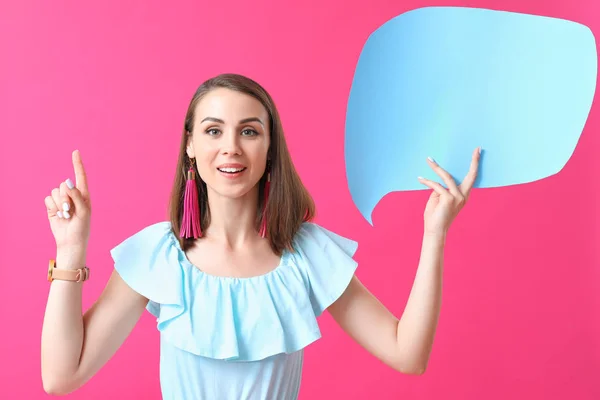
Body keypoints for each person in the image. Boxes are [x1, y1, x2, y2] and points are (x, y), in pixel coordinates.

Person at [41, 73, 481, 399]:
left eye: (249, 131)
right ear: (191, 145)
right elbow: (61, 377)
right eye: (214, 130)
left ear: (270, 148)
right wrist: (70, 249)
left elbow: (408, 355)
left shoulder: (307, 255)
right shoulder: (159, 254)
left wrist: (435, 233)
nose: (230, 146)